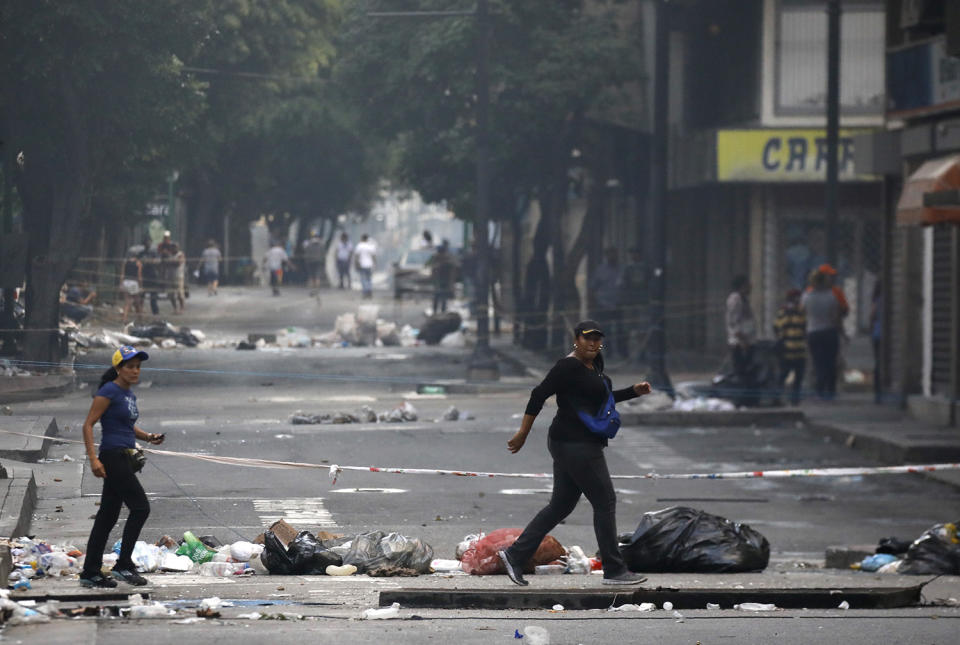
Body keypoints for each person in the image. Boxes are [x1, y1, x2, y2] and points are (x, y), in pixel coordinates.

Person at [498, 320, 652, 587]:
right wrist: (523, 432)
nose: (592, 343)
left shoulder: (594, 365)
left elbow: (598, 400)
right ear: (576, 340)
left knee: (561, 505)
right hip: (575, 443)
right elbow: (538, 394)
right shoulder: (567, 366)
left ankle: (514, 554)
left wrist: (632, 392)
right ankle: (614, 570)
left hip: (577, 442)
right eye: (587, 338)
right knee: (605, 501)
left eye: (597, 339)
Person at [79, 345, 165, 588]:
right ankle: (123, 565)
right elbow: (88, 425)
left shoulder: (128, 395)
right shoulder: (109, 391)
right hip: (112, 456)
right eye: (130, 367)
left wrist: (148, 437)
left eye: (138, 367)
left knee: (107, 515)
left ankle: (90, 571)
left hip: (124, 455)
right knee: (140, 508)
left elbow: (127, 425)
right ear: (118, 368)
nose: (135, 371)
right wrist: (93, 459)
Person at [802, 270, 841, 401]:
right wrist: (841, 331)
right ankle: (830, 390)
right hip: (829, 331)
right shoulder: (831, 296)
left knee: (818, 362)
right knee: (830, 362)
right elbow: (835, 316)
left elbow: (803, 313)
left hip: (813, 332)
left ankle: (819, 390)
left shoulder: (806, 297)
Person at [725, 275, 757, 406]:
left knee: (747, 372)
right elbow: (733, 321)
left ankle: (747, 400)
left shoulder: (744, 299)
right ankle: (740, 400)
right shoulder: (736, 299)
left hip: (747, 341)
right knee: (741, 372)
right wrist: (742, 339)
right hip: (740, 342)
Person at [589, 248, 625, 358]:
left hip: (619, 304)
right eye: (610, 254)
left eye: (614, 254)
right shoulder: (600, 270)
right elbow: (593, 288)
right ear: (606, 256)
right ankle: (609, 352)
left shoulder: (622, 269)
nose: (612, 257)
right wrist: (594, 303)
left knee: (621, 329)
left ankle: (623, 352)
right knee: (607, 329)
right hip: (603, 304)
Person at [773, 288, 806, 406]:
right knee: (789, 375)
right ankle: (787, 399)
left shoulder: (783, 312)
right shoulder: (798, 312)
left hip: (791, 349)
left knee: (787, 375)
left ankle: (787, 398)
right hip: (794, 349)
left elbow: (776, 327)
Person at [619, 247, 648, 360]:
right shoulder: (627, 269)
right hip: (630, 303)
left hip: (642, 302)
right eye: (632, 254)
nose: (634, 256)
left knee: (642, 329)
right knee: (628, 329)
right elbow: (623, 284)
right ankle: (627, 353)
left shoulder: (645, 268)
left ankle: (642, 353)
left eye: (636, 254)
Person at [427, 240, 457, 314]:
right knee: (438, 296)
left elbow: (452, 271)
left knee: (442, 297)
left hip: (444, 281)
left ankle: (441, 311)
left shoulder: (448, 260)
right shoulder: (436, 258)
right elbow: (431, 268)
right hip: (439, 281)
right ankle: (436, 311)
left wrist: (451, 282)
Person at [119, 252, 142, 324]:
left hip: (126, 282)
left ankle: (124, 319)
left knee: (127, 302)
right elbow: (139, 276)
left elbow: (122, 274)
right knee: (137, 302)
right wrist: (141, 286)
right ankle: (140, 318)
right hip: (134, 283)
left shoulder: (125, 263)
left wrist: (121, 284)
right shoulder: (138, 263)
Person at [870, 280, 883, 404]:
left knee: (878, 363)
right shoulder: (887, 300)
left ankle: (878, 393)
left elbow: (872, 316)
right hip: (882, 335)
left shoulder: (877, 301)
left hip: (877, 334)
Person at [353, 234, 377, 299]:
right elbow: (373, 256)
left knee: (363, 279)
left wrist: (356, 264)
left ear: (362, 238)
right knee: (369, 279)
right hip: (369, 265)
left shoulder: (359, 246)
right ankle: (369, 290)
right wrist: (375, 264)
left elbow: (357, 256)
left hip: (362, 265)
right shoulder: (370, 246)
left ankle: (365, 292)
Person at [166, 245, 186, 314]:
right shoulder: (169, 255)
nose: (174, 249)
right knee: (171, 294)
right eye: (172, 247)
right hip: (170, 277)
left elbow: (178, 263)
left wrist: (170, 262)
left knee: (180, 293)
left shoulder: (180, 254)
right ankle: (175, 308)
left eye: (175, 247)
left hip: (178, 276)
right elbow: (165, 263)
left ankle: (182, 308)